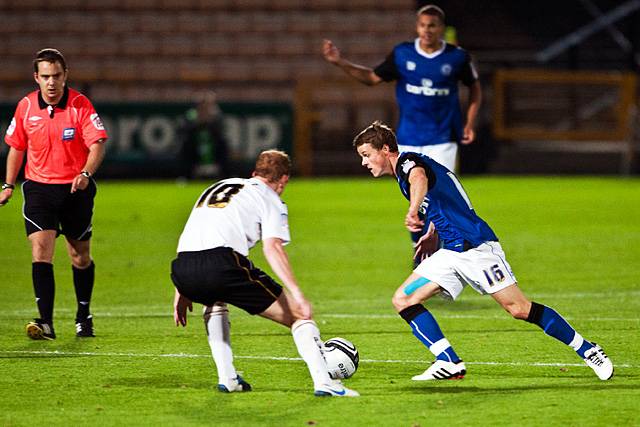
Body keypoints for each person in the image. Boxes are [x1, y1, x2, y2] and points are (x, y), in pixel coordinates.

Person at [352, 121, 613, 381]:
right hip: (450, 251)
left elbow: (419, 179)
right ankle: (449, 360)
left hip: (475, 247)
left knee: (519, 309)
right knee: (403, 299)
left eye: (367, 155)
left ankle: (588, 350)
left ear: (386, 149)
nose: (364, 162)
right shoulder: (402, 174)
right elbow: (442, 201)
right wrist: (432, 233)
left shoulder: (408, 162)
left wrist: (412, 210)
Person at [170, 150, 359, 397]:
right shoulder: (270, 198)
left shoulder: (221, 185)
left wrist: (181, 288)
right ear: (283, 181)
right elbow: (273, 247)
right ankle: (325, 383)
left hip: (182, 265)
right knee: (299, 315)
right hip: (222, 263)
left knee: (214, 301)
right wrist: (297, 293)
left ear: (254, 173)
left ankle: (228, 378)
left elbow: (196, 230)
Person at [0, 48, 108, 340]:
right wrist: (8, 184)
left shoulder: (80, 105)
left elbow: (97, 144)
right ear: (36, 77)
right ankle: (45, 322)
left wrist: (85, 173)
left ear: (65, 76)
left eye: (56, 76)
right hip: (38, 189)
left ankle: (83, 314)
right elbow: (17, 147)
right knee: (41, 250)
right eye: (45, 76)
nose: (51, 82)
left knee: (79, 256)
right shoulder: (25, 107)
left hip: (75, 190)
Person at [322, 4, 481, 173]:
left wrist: (469, 123)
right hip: (408, 137)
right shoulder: (402, 54)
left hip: (443, 139)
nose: (427, 30)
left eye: (432, 25)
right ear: (417, 27)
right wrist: (340, 62)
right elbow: (371, 78)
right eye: (423, 25)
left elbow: (474, 87)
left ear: (441, 28)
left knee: (438, 190)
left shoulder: (457, 56)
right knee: (413, 190)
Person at [177, 90, 230, 179]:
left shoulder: (217, 118)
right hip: (194, 160)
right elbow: (184, 136)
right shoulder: (190, 117)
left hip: (214, 161)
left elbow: (221, 140)